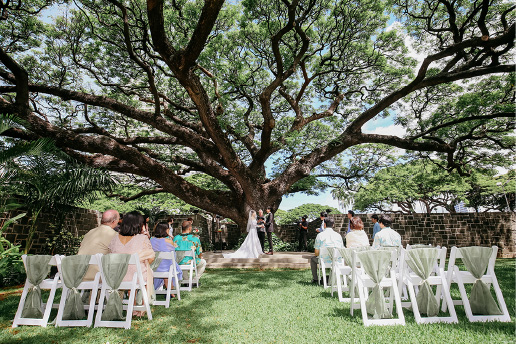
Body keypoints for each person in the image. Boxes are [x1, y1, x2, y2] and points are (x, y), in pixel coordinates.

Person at [108, 211, 155, 316]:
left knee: (132, 271)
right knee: (148, 272)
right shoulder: (142, 238)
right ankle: (142, 308)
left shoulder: (114, 239)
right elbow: (151, 258)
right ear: (138, 224)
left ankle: (133, 305)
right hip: (135, 277)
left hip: (117, 277)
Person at [78, 209, 119, 281]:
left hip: (80, 274)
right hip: (98, 277)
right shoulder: (114, 235)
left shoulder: (90, 232)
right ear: (114, 221)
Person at [150, 222, 183, 290]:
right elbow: (173, 256)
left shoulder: (151, 240)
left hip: (153, 268)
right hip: (166, 268)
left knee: (165, 264)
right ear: (166, 230)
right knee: (169, 265)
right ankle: (170, 289)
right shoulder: (169, 241)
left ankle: (168, 288)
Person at [311, 217, 344, 284]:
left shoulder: (320, 235)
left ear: (324, 225)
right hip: (336, 260)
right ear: (333, 225)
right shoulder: (338, 236)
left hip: (324, 260)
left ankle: (315, 279)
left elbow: (316, 253)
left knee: (312, 259)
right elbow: (342, 249)